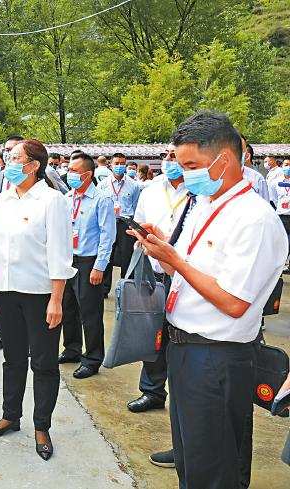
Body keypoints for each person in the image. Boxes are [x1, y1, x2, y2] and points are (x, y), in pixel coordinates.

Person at [131, 111, 287, 488]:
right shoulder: (206, 207)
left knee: (215, 470)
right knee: (192, 461)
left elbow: (234, 302)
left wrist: (176, 262)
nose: (184, 174)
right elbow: (190, 272)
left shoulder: (253, 219)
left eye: (192, 166)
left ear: (225, 160)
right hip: (184, 349)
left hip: (217, 357)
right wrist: (164, 252)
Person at [0, 139, 75, 461]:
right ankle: (10, 415)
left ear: (33, 165)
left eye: (16, 158)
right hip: (6, 292)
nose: (9, 163)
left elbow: (60, 252)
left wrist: (57, 299)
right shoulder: (4, 198)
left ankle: (41, 425)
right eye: (8, 158)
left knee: (44, 362)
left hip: (40, 294)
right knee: (13, 359)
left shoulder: (51, 200)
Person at [126, 145, 188, 414]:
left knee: (181, 336)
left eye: (174, 156)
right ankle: (151, 391)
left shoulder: (199, 192)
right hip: (152, 272)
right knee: (152, 333)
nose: (169, 161)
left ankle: (183, 396)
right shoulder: (150, 190)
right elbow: (137, 224)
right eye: (167, 156)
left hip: (184, 273)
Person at [59, 152, 116, 379]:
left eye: (74, 171)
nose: (69, 175)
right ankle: (72, 348)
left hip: (89, 261)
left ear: (87, 174)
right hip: (68, 260)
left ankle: (92, 358)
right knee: (68, 308)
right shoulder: (67, 198)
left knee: (90, 312)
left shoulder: (102, 199)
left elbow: (107, 235)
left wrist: (100, 266)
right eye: (69, 170)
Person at [0, 135, 26, 353]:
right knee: (0, 293)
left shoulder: (43, 178)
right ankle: (2, 332)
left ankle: (25, 337)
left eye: (14, 151)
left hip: (25, 248)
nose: (9, 154)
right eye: (7, 151)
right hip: (1, 245)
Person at [99, 152, 141, 297]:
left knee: (126, 257)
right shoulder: (103, 184)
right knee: (107, 255)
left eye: (122, 163)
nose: (119, 166)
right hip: (108, 222)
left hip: (125, 223)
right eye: (116, 163)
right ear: (110, 164)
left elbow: (135, 206)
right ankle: (104, 289)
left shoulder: (134, 185)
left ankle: (125, 288)